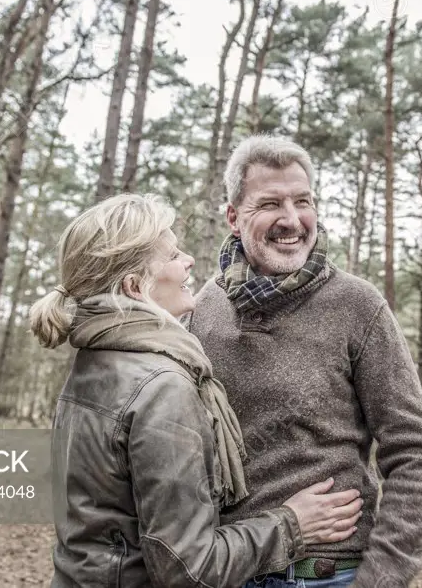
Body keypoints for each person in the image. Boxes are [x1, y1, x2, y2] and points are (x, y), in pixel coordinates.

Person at [30, 193, 364, 587]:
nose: (189, 261)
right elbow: (187, 569)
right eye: (173, 256)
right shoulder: (160, 387)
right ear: (136, 286)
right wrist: (292, 523)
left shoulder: (95, 360)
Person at [186, 137, 422, 587]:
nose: (291, 220)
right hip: (225, 570)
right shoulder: (204, 307)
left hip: (326, 576)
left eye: (302, 201)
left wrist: (380, 578)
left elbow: (415, 454)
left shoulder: (357, 305)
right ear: (233, 217)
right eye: (270, 203)